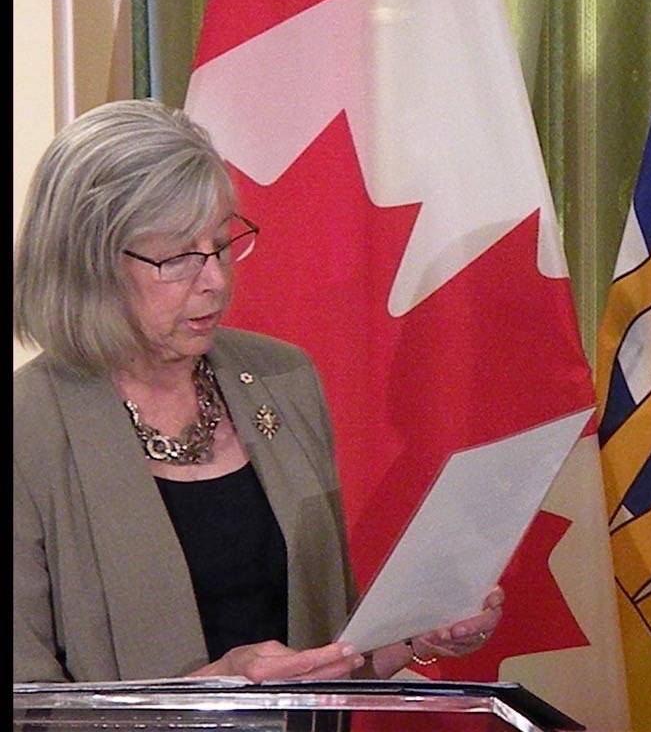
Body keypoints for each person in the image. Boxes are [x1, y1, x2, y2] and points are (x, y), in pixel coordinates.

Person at [13, 99, 504, 683]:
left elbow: (321, 648)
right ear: (86, 261)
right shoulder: (29, 427)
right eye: (177, 258)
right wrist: (210, 690)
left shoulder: (283, 378)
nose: (216, 280)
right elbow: (29, 700)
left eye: (221, 245)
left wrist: (411, 633)